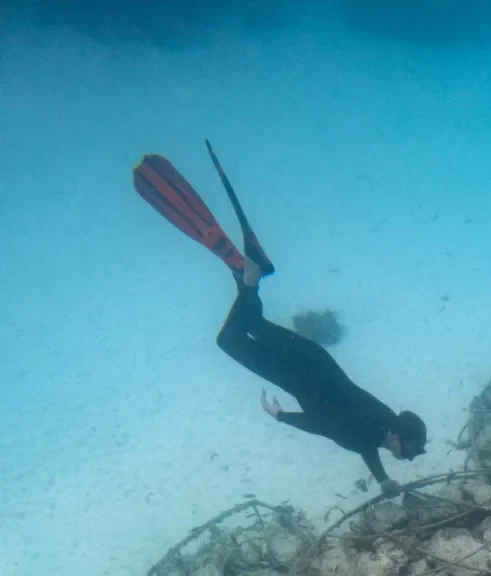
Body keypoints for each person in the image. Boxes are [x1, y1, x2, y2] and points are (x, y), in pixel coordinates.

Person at [133, 142, 427, 497]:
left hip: (311, 359)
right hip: (296, 373)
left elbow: (363, 444)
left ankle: (247, 276)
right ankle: (248, 279)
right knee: (228, 341)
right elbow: (323, 426)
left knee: (252, 325)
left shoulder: (382, 422)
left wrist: (382, 480)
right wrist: (280, 416)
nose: (409, 459)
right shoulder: (371, 430)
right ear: (397, 436)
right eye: (409, 453)